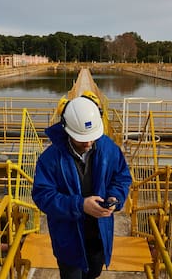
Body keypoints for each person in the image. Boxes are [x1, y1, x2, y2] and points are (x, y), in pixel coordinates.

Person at [32, 96, 132, 279]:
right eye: (81, 138)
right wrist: (80, 205)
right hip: (68, 238)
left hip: (99, 235)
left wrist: (114, 198)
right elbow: (43, 196)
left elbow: (121, 178)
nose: (87, 143)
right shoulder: (50, 159)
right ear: (67, 130)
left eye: (91, 137)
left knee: (94, 272)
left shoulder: (109, 149)